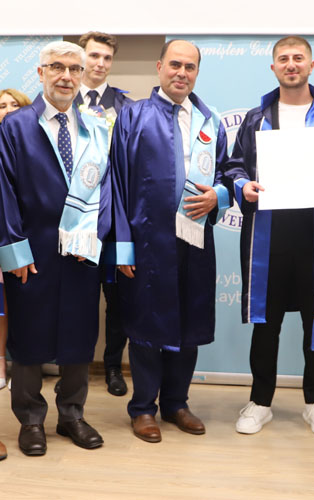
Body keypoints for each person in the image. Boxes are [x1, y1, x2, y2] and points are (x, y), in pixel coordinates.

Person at [224, 36, 314, 437]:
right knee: (265, 323)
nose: (291, 64)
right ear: (273, 67)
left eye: (298, 58)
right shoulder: (256, 118)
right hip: (268, 235)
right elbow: (234, 167)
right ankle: (260, 402)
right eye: (283, 59)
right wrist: (243, 187)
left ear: (311, 65)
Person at [109, 39, 232, 443]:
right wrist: (122, 245)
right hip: (147, 241)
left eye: (190, 67)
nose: (182, 73)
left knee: (189, 322)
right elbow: (116, 182)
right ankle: (143, 407)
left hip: (195, 238)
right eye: (175, 64)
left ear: (197, 72)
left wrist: (219, 196)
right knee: (147, 324)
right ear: (159, 66)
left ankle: (176, 403)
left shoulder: (209, 120)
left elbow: (228, 171)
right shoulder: (133, 116)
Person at [0, 41, 111, 456]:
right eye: (57, 67)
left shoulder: (96, 127)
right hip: (33, 251)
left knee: (80, 335)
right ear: (41, 72)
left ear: (83, 75)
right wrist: (14, 249)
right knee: (29, 336)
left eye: (74, 69)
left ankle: (72, 415)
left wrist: (95, 236)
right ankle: (30, 420)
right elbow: (3, 189)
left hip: (82, 250)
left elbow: (108, 188)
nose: (66, 76)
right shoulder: (16, 126)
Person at [75, 31, 133, 397]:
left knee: (118, 300)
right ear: (81, 57)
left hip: (117, 218)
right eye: (94, 55)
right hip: (75, 218)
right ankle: (74, 365)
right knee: (77, 298)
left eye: (106, 58)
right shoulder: (61, 101)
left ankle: (113, 365)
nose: (99, 63)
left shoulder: (128, 107)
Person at [0, 88, 32, 392]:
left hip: (18, 234)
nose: (8, 110)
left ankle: (18, 365)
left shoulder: (30, 144)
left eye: (14, 105)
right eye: (2, 105)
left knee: (14, 302)